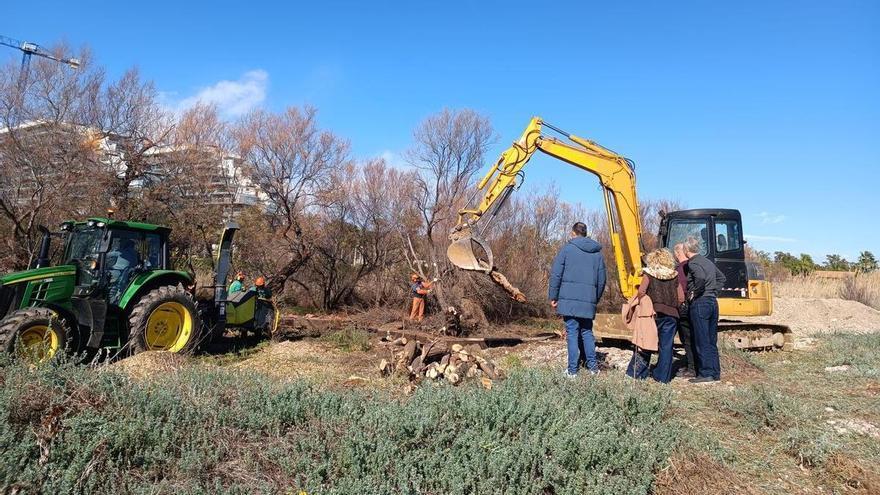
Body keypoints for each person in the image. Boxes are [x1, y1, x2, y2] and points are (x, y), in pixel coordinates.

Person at [548, 222, 607, 376]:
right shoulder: (597, 254)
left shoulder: (567, 250)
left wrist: (553, 296)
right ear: (585, 233)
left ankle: (572, 371)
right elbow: (602, 280)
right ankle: (593, 368)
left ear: (573, 233)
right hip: (588, 301)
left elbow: (556, 275)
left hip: (569, 301)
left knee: (572, 333)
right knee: (587, 332)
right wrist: (594, 298)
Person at [629, 249, 685, 383]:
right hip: (671, 315)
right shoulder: (674, 275)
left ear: (652, 260)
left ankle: (637, 374)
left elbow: (641, 292)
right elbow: (681, 298)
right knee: (666, 347)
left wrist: (646, 303)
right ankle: (662, 378)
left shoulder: (649, 274)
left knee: (645, 343)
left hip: (653, 314)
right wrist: (673, 305)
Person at [683, 236, 726, 383]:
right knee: (711, 340)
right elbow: (721, 278)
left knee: (701, 339)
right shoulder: (707, 261)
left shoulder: (692, 263)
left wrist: (695, 293)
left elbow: (700, 278)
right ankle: (715, 373)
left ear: (686, 249)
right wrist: (713, 292)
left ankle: (706, 373)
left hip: (700, 303)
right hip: (712, 302)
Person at [674, 243, 698, 378]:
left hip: (683, 307)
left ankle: (692, 368)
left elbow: (679, 290)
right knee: (693, 337)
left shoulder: (679, 270)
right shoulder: (693, 266)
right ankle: (693, 364)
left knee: (686, 338)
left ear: (677, 254)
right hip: (694, 306)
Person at [107, 238, 139, 303]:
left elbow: (107, 255)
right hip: (125, 276)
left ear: (126, 244)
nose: (120, 244)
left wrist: (93, 256)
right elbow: (135, 263)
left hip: (116, 273)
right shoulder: (135, 254)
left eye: (121, 242)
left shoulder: (120, 252)